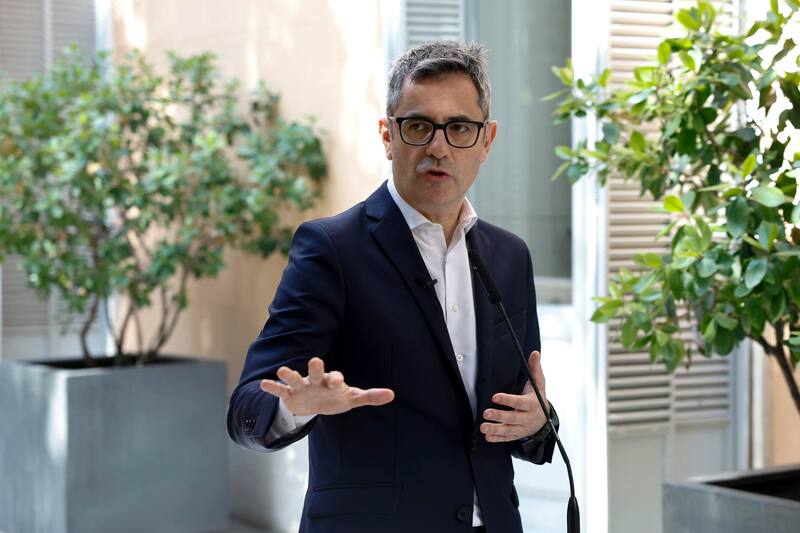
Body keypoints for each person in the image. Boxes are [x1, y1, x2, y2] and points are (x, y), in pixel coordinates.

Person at [227, 40, 560, 533]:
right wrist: (293, 406)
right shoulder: (331, 249)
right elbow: (246, 409)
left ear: (486, 141)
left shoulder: (510, 258)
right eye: (418, 125)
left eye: (460, 127)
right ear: (388, 135)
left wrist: (539, 421)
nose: (438, 146)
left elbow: (518, 414)